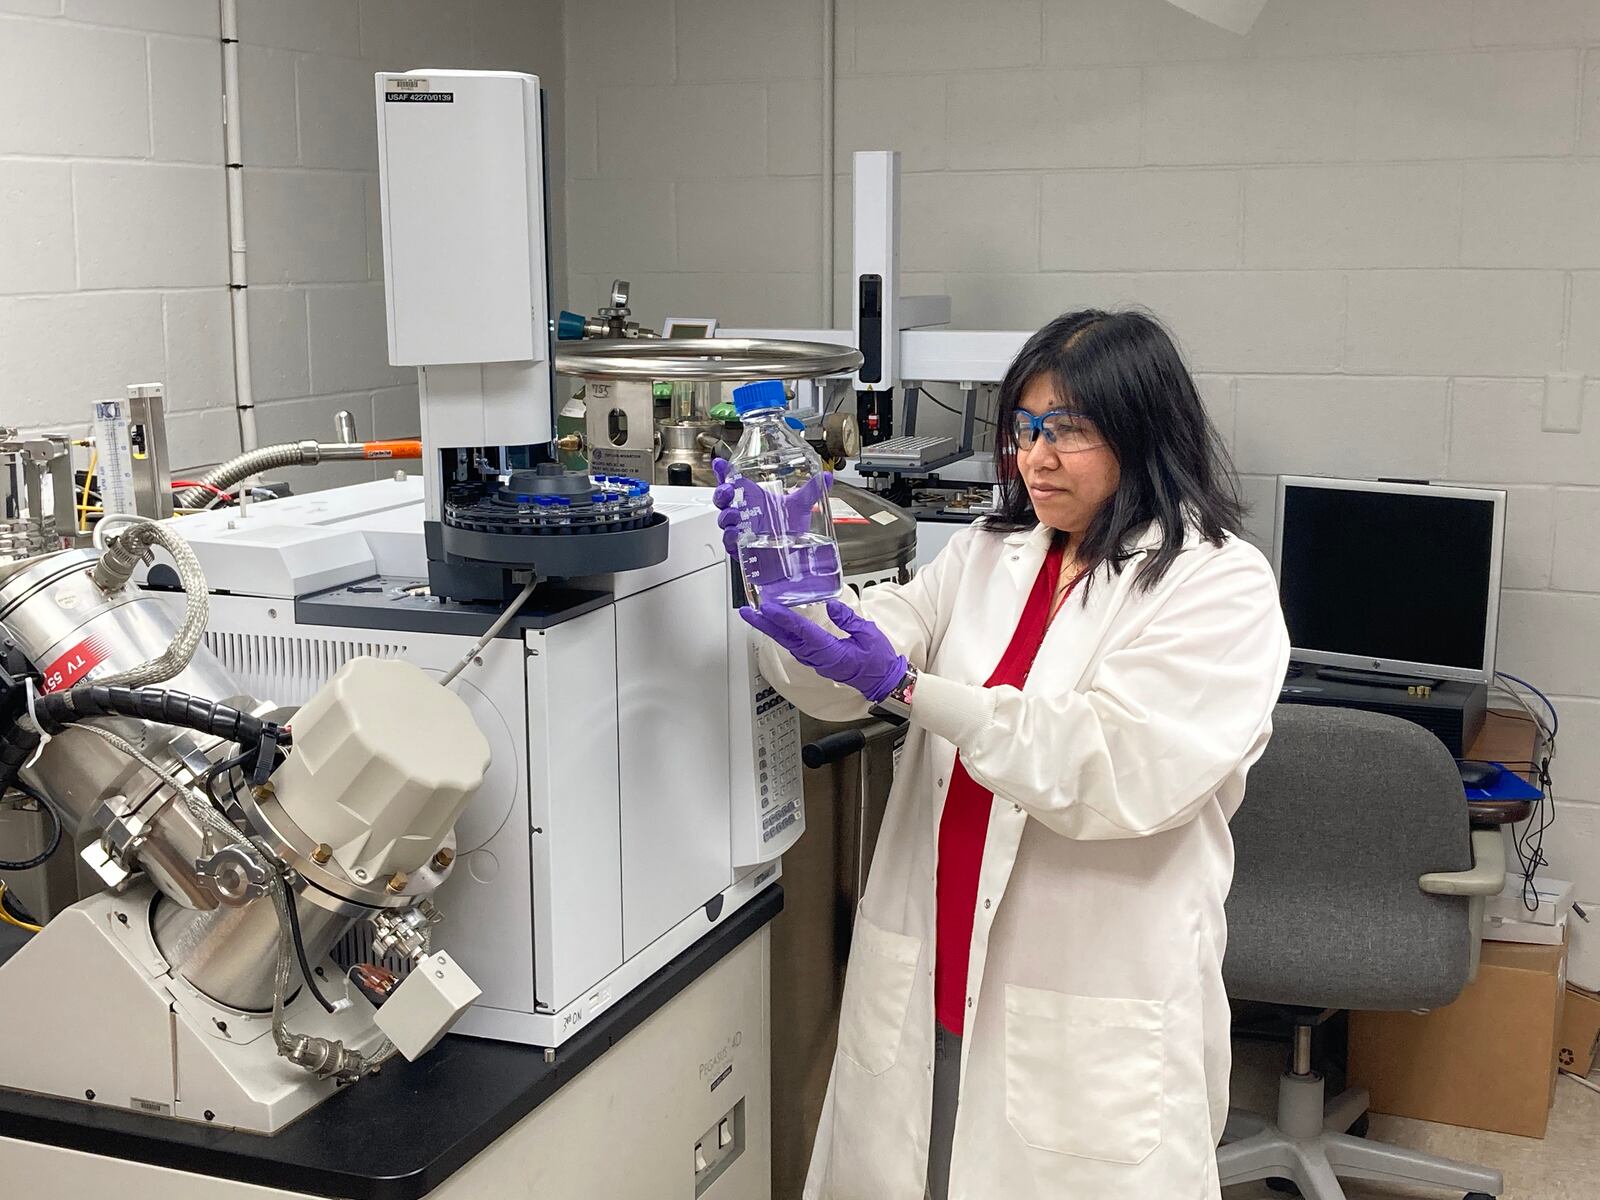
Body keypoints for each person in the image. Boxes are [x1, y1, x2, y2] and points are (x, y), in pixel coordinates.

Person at [714, 310, 1290, 1199]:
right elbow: (840, 675)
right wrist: (791, 591)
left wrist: (909, 690)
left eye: (1069, 431)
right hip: (931, 969)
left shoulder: (1219, 585)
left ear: (1146, 434)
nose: (1036, 458)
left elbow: (1105, 769)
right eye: (1023, 430)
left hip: (1080, 1001)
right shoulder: (982, 556)